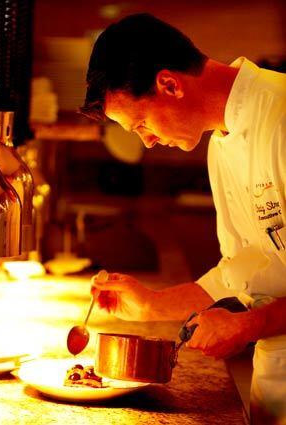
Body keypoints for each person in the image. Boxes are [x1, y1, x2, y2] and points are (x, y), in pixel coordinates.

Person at [80, 13, 286, 424]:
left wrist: (248, 326)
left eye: (140, 124)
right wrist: (150, 306)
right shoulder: (220, 145)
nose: (148, 142)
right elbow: (241, 273)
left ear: (169, 84)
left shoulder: (280, 115)